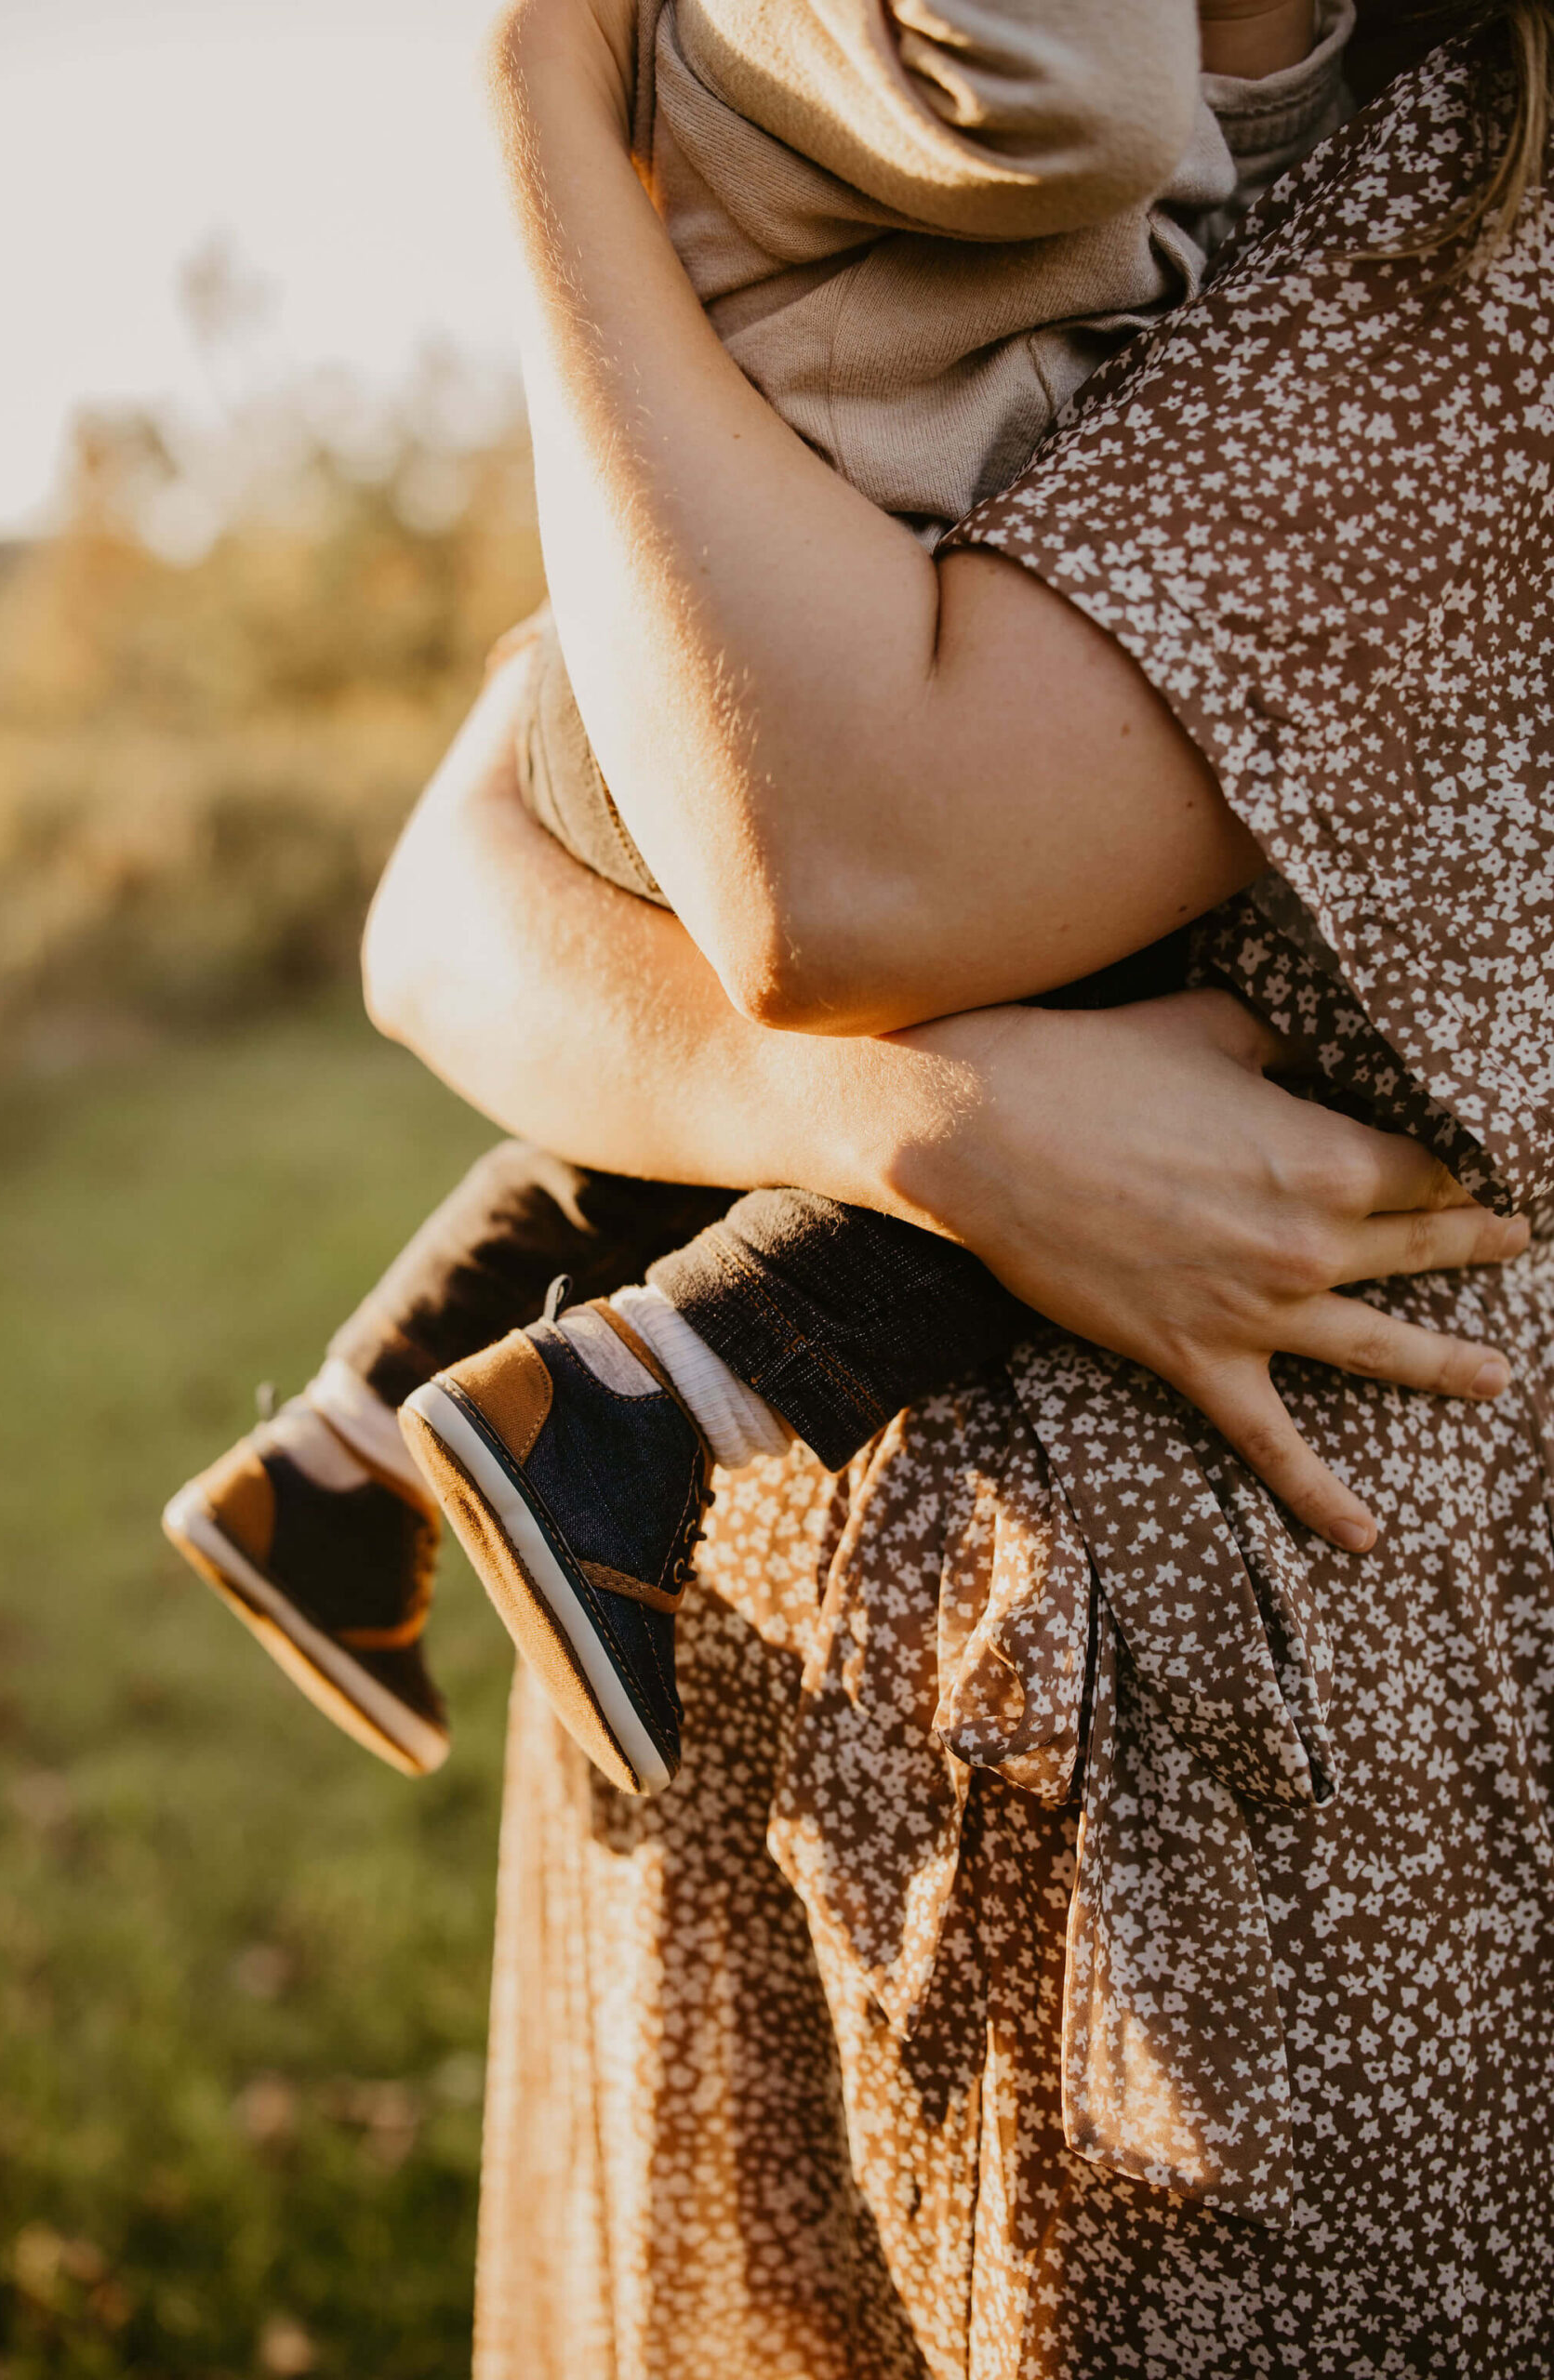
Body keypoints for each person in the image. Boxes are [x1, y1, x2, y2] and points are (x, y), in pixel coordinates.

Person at [360, 0, 1554, 2367]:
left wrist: (532, 101)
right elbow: (451, 895)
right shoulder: (907, 173)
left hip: (1234, 1839)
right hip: (747, 1680)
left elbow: (834, 873)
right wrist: (894, 1122)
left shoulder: (1476, 208)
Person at [163, 0, 1395, 1794]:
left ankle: (344, 1459)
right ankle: (643, 1408)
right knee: (1133, 1031)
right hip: (770, 709)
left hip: (722, 677)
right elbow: (1095, 118)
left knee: (794, 1081)